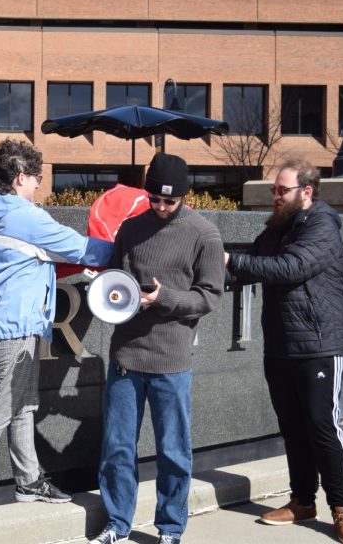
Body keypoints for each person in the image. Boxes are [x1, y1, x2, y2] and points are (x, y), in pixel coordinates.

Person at [0, 139, 114, 523]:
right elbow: (82, 249)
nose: (40, 185)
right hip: (15, 322)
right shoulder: (25, 217)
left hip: (12, 320)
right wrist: (126, 248)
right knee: (3, 405)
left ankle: (29, 478)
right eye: (37, 178)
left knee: (24, 403)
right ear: (21, 177)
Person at [225, 158, 343, 544]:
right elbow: (249, 267)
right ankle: (302, 500)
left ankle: (342, 507)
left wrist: (232, 260)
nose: (275, 195)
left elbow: (290, 267)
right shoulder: (276, 228)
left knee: (322, 425)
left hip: (320, 344)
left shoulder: (322, 225)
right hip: (281, 345)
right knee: (293, 429)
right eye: (273, 189)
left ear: (306, 191)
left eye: (281, 190)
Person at [90, 153, 224, 544]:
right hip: (126, 356)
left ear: (185, 196)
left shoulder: (205, 234)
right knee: (116, 447)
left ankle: (170, 528)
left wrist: (165, 298)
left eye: (170, 201)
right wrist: (110, 292)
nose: (161, 207)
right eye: (155, 199)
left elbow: (209, 297)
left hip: (172, 359)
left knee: (172, 451)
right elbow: (116, 278)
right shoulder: (130, 229)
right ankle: (117, 523)